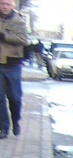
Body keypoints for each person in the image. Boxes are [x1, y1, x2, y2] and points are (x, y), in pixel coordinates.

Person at [0, 0, 28, 139]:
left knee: (15, 97)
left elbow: (24, 39)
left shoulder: (19, 21)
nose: (4, 7)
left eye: (7, 4)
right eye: (2, 4)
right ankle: (3, 128)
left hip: (12, 63)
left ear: (12, 5)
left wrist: (4, 36)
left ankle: (16, 121)